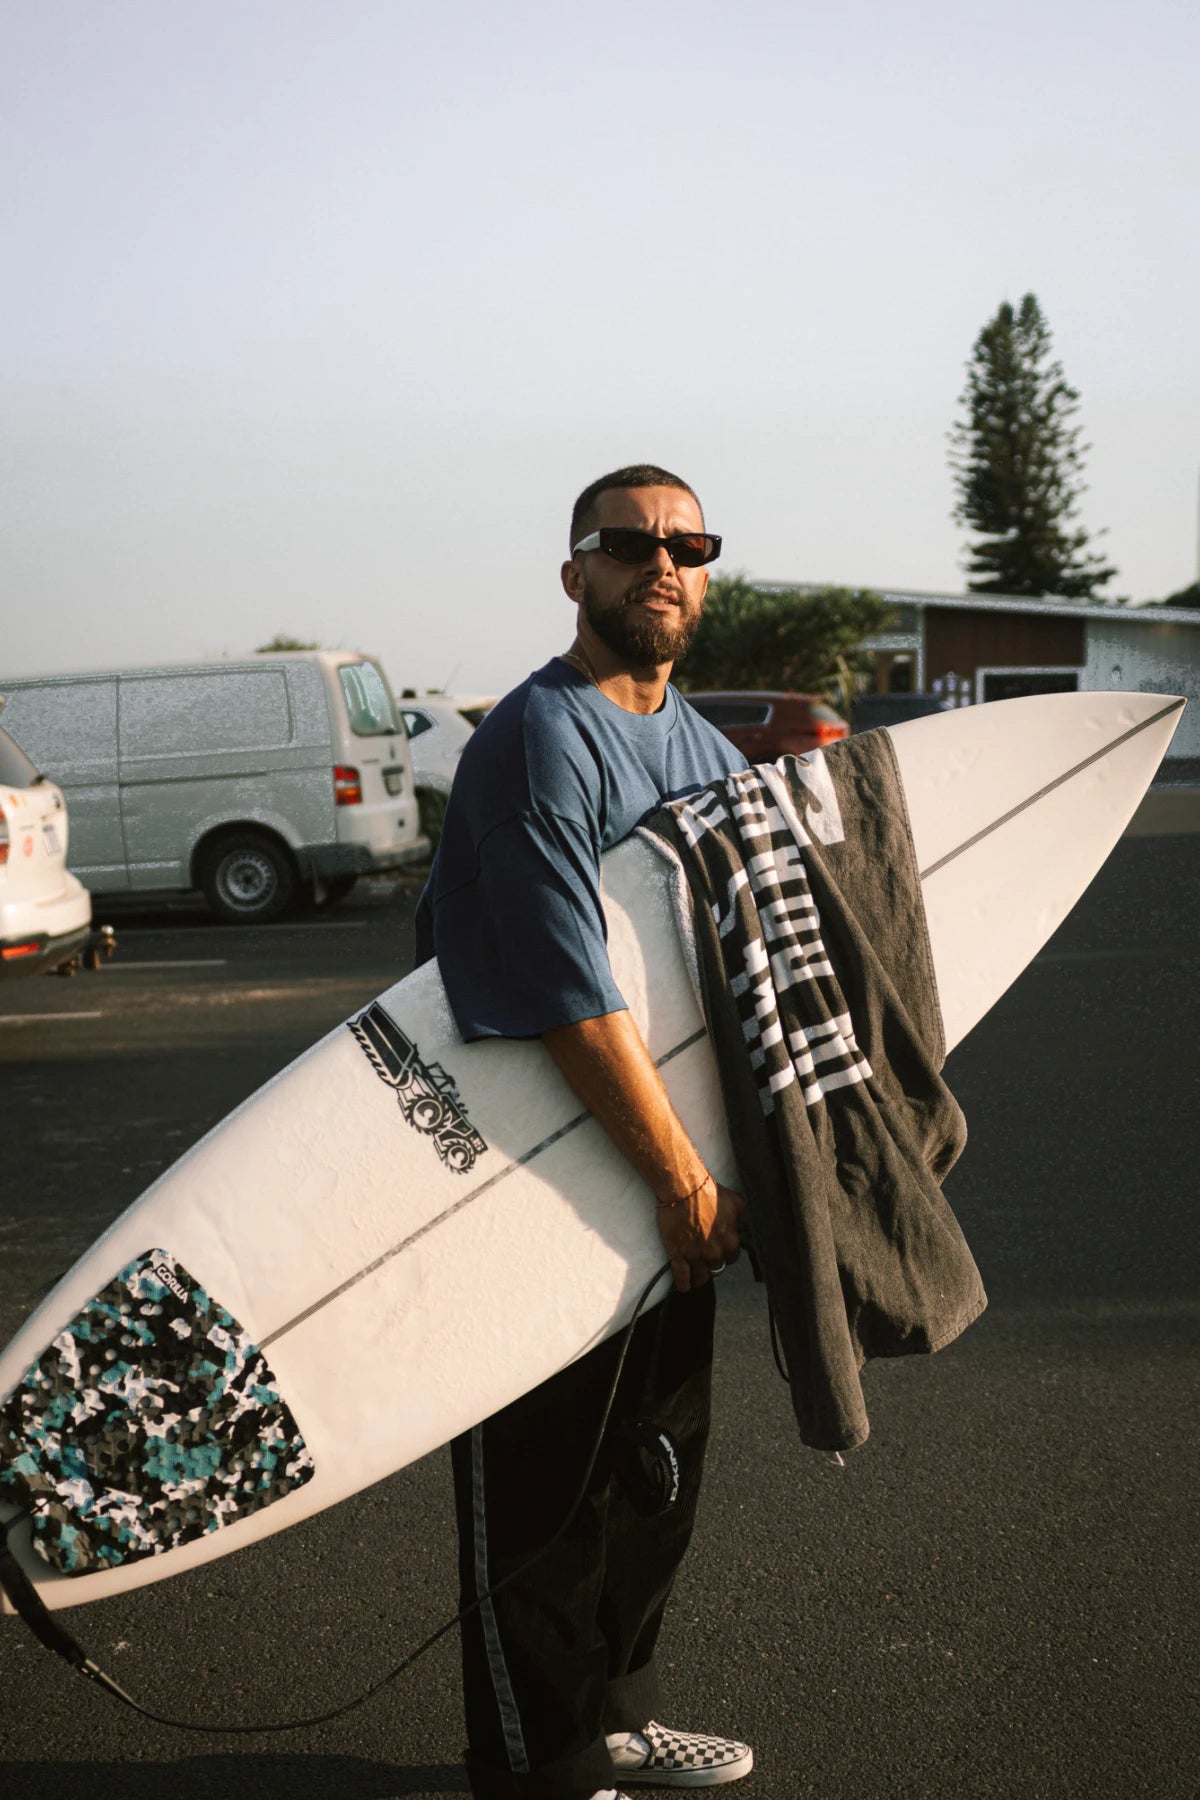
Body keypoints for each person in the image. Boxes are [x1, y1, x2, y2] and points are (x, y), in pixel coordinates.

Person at [415, 464, 754, 1799]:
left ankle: (617, 1712)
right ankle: (535, 1762)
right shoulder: (538, 737)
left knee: (652, 1468)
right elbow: (571, 998)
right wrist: (680, 1178)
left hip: (666, 1179)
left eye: (688, 543)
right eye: (629, 543)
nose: (662, 563)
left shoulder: (708, 750)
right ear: (575, 574)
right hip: (531, 1181)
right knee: (546, 1488)